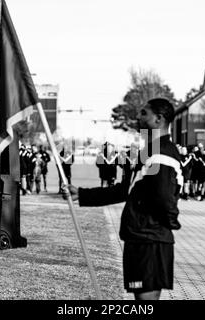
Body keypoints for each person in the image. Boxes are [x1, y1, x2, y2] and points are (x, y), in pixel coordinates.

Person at [63, 98, 182, 300]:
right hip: (139, 237)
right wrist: (81, 194)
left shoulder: (162, 152)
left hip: (150, 240)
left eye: (144, 113)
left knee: (146, 302)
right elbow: (123, 191)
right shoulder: (148, 152)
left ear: (158, 119)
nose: (138, 117)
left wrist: (168, 223)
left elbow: (164, 198)